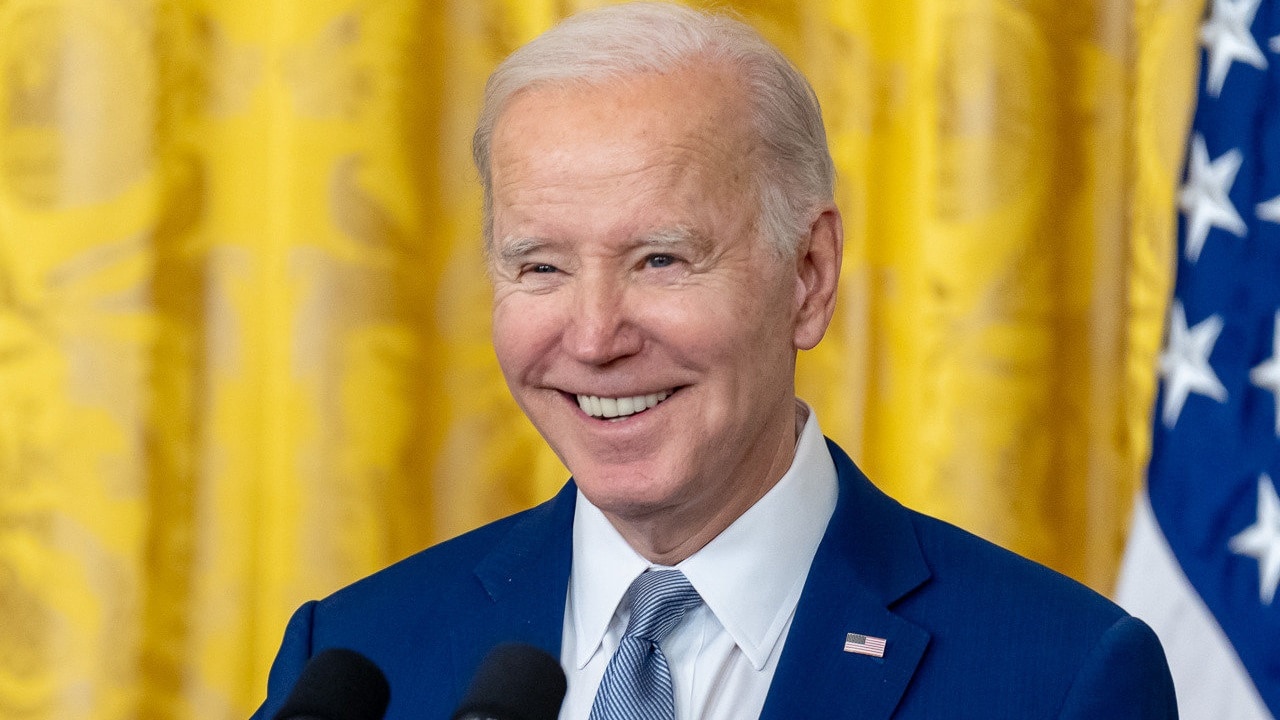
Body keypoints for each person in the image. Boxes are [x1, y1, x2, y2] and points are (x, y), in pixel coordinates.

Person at [252, 3, 1178, 718]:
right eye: (541, 266)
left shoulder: (1058, 678)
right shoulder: (355, 660)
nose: (593, 337)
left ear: (808, 278)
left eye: (660, 260)